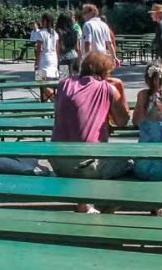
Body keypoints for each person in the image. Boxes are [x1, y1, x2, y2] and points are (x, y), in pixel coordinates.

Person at [49, 51, 131, 209]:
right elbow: (122, 121)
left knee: (85, 155)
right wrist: (120, 87)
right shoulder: (107, 89)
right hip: (86, 164)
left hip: (57, 160)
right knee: (131, 164)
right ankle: (107, 206)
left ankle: (84, 203)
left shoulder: (64, 84)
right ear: (103, 73)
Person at [33, 12, 60, 100]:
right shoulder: (55, 33)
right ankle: (45, 102)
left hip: (43, 59)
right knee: (49, 83)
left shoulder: (40, 33)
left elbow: (39, 49)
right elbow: (57, 48)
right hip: (53, 59)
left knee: (40, 82)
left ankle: (56, 100)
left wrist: (36, 63)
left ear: (45, 21)